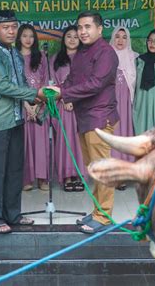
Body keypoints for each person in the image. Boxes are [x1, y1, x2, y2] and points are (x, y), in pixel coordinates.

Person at [50, 11, 119, 234]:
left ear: (100, 29)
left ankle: (104, 216)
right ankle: (98, 211)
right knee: (93, 169)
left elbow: (95, 84)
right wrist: (57, 91)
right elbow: (73, 79)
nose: (82, 31)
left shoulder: (106, 53)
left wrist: (64, 93)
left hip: (100, 116)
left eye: (88, 27)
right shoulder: (81, 53)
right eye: (80, 27)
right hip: (84, 117)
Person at [0, 10, 45, 234]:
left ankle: (12, 214)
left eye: (13, 27)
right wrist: (35, 93)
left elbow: (22, 81)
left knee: (15, 170)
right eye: (5, 27)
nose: (10, 31)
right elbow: (4, 86)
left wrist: (33, 104)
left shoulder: (15, 53)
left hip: (16, 119)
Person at [51, 25, 86, 192]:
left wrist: (74, 98)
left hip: (81, 106)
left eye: (76, 36)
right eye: (69, 36)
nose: (72, 39)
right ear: (64, 39)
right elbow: (51, 83)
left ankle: (79, 175)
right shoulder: (55, 59)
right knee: (65, 141)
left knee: (80, 141)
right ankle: (66, 176)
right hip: (62, 106)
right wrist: (64, 97)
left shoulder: (85, 57)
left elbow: (88, 83)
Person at [16, 24, 50, 192]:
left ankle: (42, 179)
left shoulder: (42, 57)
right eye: (24, 36)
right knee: (24, 143)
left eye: (31, 36)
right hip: (21, 107)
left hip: (40, 107)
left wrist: (37, 105)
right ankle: (26, 179)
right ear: (19, 38)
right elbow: (13, 84)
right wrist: (26, 105)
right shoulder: (14, 57)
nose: (28, 39)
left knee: (41, 143)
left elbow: (45, 81)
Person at [109, 26, 139, 191]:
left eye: (124, 37)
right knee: (113, 135)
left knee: (124, 134)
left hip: (126, 104)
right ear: (113, 38)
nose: (120, 41)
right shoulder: (106, 57)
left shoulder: (134, 58)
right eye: (117, 37)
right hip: (111, 103)